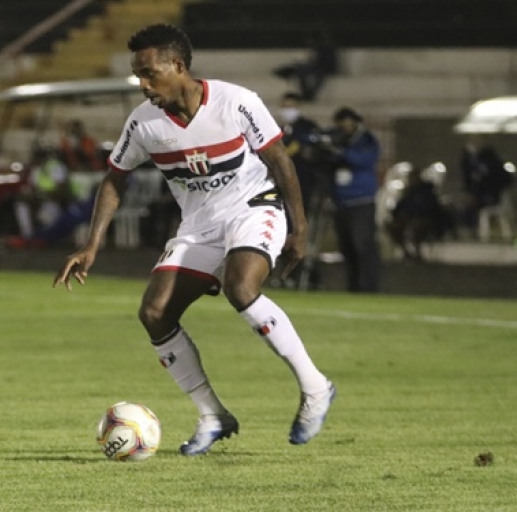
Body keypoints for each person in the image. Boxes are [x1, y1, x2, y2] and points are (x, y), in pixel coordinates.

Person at [54, 24, 335, 455]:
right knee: (154, 312)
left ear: (178, 66)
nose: (143, 85)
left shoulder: (237, 101)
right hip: (199, 225)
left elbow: (279, 161)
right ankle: (213, 415)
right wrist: (92, 245)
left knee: (241, 287)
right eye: (138, 76)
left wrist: (300, 229)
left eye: (149, 74)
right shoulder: (143, 124)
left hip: (254, 207)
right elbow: (115, 180)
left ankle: (315, 387)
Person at [325, 107, 381, 292]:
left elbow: (363, 160)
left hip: (361, 201)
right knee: (347, 247)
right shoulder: (338, 140)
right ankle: (354, 286)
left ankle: (368, 286)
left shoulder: (366, 140)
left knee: (363, 245)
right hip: (341, 202)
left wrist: (340, 151)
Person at [276, 92, 328, 289]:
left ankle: (305, 276)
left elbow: (313, 152)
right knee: (282, 232)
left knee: (300, 231)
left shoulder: (307, 128)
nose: (288, 109)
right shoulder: (276, 128)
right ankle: (284, 274)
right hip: (280, 188)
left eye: (291, 105)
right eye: (285, 105)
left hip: (303, 188)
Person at [385, 169, 449, 260]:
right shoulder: (408, 192)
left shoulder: (427, 191)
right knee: (393, 227)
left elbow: (431, 208)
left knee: (416, 227)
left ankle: (418, 253)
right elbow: (399, 206)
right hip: (408, 219)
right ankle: (406, 252)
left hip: (425, 220)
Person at [459, 137, 513, 235]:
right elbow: (469, 181)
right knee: (466, 207)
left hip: (491, 195)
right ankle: (472, 230)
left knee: (481, 211)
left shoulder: (490, 160)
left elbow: (503, 179)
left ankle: (481, 231)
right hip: (479, 195)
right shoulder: (468, 160)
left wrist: (488, 193)